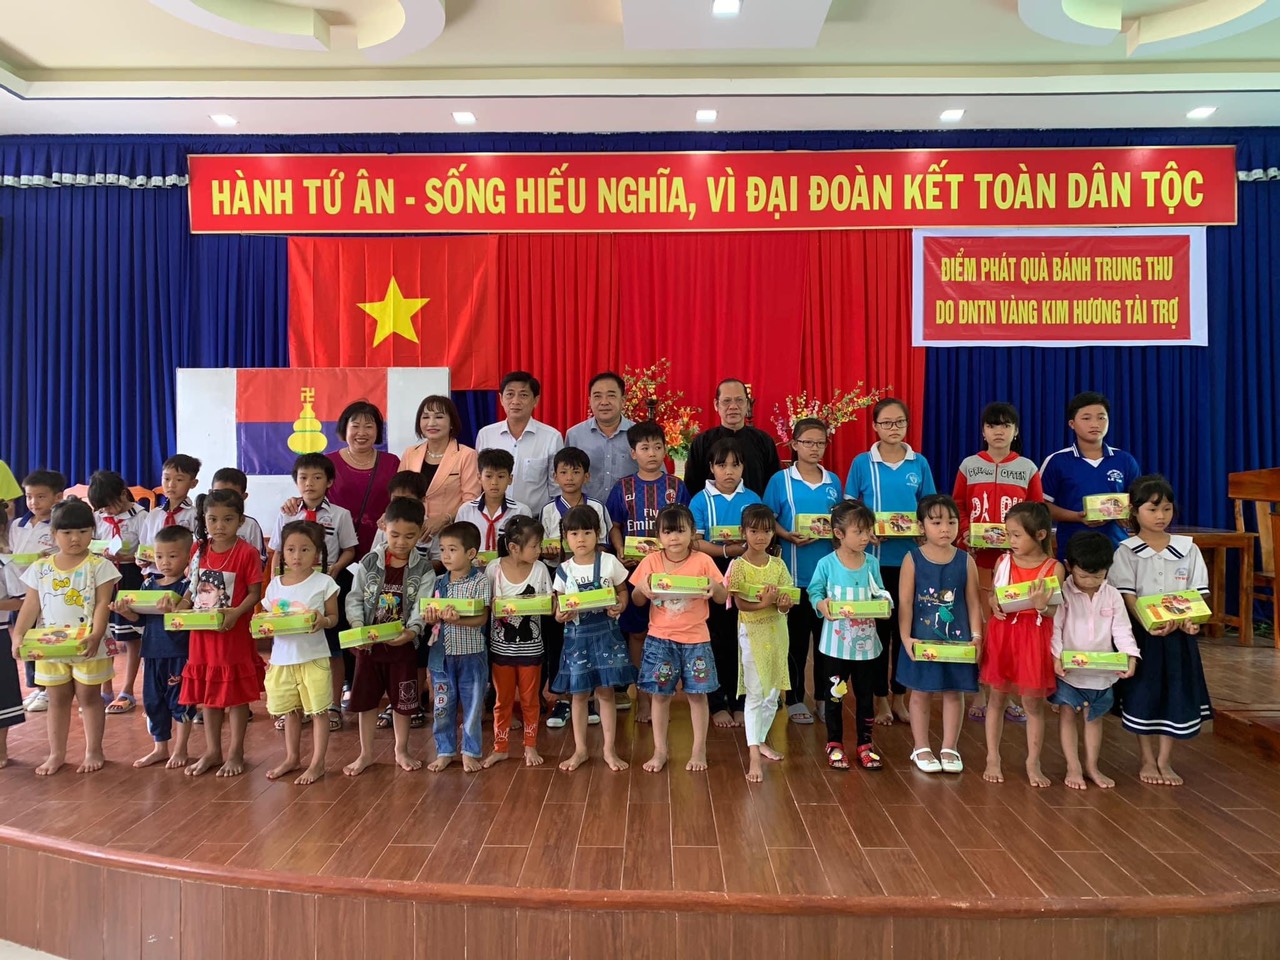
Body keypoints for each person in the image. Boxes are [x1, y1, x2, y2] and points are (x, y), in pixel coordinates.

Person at [1111, 475, 1213, 786]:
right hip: (1145, 637)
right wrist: (1148, 622)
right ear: (1135, 511)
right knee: (1144, 695)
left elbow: (1200, 592)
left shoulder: (1188, 548)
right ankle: (1145, 758)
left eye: (1166, 509)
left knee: (1175, 694)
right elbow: (1127, 596)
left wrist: (1193, 620)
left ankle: (1165, 760)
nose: (1160, 516)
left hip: (1179, 638)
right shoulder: (1125, 551)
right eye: (1152, 509)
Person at [11, 498, 121, 775]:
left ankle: (94, 750)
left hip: (88, 644)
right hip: (50, 646)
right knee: (57, 698)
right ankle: (56, 753)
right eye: (68, 532)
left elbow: (101, 604)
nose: (75, 539)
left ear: (92, 532)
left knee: (89, 696)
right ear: (54, 534)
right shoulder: (41, 568)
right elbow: (30, 605)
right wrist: (19, 636)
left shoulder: (100, 566)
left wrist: (96, 635)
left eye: (83, 532)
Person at [845, 398, 937, 727]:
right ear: (874, 426)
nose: (893, 429)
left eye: (899, 422)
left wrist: (923, 531)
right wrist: (867, 532)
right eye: (886, 423)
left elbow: (930, 509)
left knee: (905, 631)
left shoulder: (919, 464)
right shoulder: (861, 463)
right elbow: (849, 511)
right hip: (871, 565)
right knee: (876, 633)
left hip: (911, 563)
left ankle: (901, 698)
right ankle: (879, 700)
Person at [162, 489, 264, 778]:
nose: (220, 526)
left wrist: (234, 613)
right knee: (209, 692)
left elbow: (255, 593)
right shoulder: (199, 549)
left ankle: (236, 751)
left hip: (232, 633)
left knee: (235, 695)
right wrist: (180, 607)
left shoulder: (247, 552)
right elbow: (193, 589)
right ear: (204, 520)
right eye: (213, 519)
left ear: (240, 520)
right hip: (202, 635)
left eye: (228, 519)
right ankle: (212, 750)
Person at [953, 401, 1042, 724]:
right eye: (992, 425)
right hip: (978, 561)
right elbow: (959, 506)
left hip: (1014, 565)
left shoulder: (1028, 468)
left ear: (1015, 431)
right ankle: (979, 691)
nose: (999, 431)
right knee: (980, 627)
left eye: (1005, 425)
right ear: (983, 431)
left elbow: (1036, 514)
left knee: (1012, 631)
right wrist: (965, 533)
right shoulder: (969, 465)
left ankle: (1011, 695)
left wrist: (1026, 546)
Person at [630, 503, 728, 773]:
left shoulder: (703, 561)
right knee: (659, 696)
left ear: (693, 533)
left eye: (680, 531)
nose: (674, 538)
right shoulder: (651, 561)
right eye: (667, 532)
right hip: (660, 639)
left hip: (697, 639)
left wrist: (715, 587)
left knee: (698, 696)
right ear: (658, 536)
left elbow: (721, 597)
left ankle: (699, 749)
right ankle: (660, 750)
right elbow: (637, 601)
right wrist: (642, 589)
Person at [606, 420, 691, 724]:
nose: (652, 453)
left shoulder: (676, 487)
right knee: (639, 634)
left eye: (658, 447)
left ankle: (666, 696)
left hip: (671, 575)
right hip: (636, 573)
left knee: (668, 635)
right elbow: (614, 526)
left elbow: (686, 529)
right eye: (645, 448)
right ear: (633, 453)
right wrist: (620, 551)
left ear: (666, 450)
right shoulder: (623, 488)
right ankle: (641, 697)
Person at [343, 497, 434, 776]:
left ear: (421, 532)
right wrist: (358, 626)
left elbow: (422, 603)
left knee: (403, 702)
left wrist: (412, 631)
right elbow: (355, 597)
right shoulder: (370, 561)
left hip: (403, 646)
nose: (401, 542)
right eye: (394, 535)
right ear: (384, 528)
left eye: (409, 536)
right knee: (367, 701)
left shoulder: (424, 568)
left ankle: (401, 749)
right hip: (369, 647)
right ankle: (366, 753)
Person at [763, 419, 845, 727]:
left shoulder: (833, 482)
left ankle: (824, 699)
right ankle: (795, 698)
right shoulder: (780, 481)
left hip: (828, 581)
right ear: (794, 444)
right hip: (793, 577)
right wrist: (787, 534)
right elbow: (768, 520)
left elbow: (841, 523)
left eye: (820, 443)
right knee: (795, 643)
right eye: (808, 442)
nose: (814, 448)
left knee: (827, 645)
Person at [271, 453, 359, 733]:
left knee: (332, 647)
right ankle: (296, 708)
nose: (309, 483)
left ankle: (331, 705)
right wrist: (276, 583)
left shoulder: (340, 514)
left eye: (317, 477)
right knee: (295, 645)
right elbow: (276, 552)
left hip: (326, 586)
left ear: (329, 481)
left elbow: (349, 550)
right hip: (292, 588)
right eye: (303, 478)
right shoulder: (286, 513)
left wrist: (335, 570)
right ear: (296, 481)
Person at [979, 502, 1064, 787]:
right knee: (997, 698)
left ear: (1040, 534)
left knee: (1032, 703)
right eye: (1008, 534)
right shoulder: (1004, 562)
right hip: (1003, 634)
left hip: (1034, 638)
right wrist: (993, 602)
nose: (1010, 540)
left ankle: (1033, 761)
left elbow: (1054, 611)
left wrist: (1042, 607)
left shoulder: (1054, 568)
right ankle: (993, 757)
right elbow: (993, 595)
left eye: (1016, 535)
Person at [896, 495, 981, 775]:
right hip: (921, 639)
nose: (945, 528)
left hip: (957, 641)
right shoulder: (912, 559)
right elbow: (905, 602)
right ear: (921, 527)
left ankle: (949, 746)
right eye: (936, 522)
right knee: (920, 693)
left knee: (953, 692)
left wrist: (977, 636)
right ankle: (920, 746)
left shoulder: (966, 560)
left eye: (951, 521)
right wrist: (906, 638)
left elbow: (973, 602)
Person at [1050, 532, 1140, 791]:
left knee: (1094, 718)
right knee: (1067, 715)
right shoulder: (1063, 593)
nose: (1090, 582)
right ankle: (1073, 766)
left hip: (1103, 673)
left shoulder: (1112, 595)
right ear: (1069, 566)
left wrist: (1130, 657)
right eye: (1083, 576)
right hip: (1069, 673)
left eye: (1098, 576)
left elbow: (1122, 630)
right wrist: (1056, 657)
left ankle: (1091, 765)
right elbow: (1054, 628)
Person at [807, 500, 893, 771]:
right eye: (859, 532)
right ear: (839, 534)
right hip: (835, 646)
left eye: (868, 530)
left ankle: (865, 744)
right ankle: (834, 744)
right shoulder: (827, 564)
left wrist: (884, 605)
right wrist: (822, 606)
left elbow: (879, 591)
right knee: (834, 696)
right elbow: (814, 592)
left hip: (867, 646)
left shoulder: (871, 563)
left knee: (865, 697)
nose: (866, 537)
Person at [551, 505, 635, 773]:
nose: (581, 539)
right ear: (566, 538)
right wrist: (561, 615)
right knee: (578, 696)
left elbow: (623, 591)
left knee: (606, 693)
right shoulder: (563, 570)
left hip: (606, 637)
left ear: (597, 533)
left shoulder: (609, 562)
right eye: (574, 533)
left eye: (587, 532)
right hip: (577, 640)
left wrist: (620, 605)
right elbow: (557, 609)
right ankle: (580, 750)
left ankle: (609, 750)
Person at [689, 437, 761, 729]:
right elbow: (696, 541)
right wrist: (725, 551)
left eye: (735, 464)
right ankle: (717, 701)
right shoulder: (700, 500)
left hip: (746, 572)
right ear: (711, 468)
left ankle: (741, 701)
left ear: (743, 467)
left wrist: (743, 550)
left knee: (742, 639)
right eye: (722, 465)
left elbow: (760, 536)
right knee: (715, 639)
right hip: (713, 572)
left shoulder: (752, 498)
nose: (729, 471)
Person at [109, 525, 195, 769]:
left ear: (188, 557)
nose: (165, 562)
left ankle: (181, 749)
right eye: (159, 556)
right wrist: (126, 612)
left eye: (172, 556)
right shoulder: (148, 586)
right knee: (153, 701)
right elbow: (141, 619)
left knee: (180, 701)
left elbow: (188, 620)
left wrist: (176, 610)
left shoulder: (187, 588)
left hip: (179, 654)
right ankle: (160, 748)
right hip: (151, 653)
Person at [261, 520, 340, 785]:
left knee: (318, 712)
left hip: (313, 658)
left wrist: (322, 621)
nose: (297, 556)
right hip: (282, 659)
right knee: (290, 712)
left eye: (305, 550)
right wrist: (264, 625)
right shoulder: (274, 585)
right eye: (291, 549)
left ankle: (318, 763)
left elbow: (333, 618)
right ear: (282, 551)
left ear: (317, 552)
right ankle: (292, 757)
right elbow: (268, 619)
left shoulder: (324, 582)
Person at [539, 447, 612, 728]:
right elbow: (541, 547)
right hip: (561, 581)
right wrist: (550, 552)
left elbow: (604, 544)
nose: (570, 477)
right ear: (555, 476)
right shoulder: (547, 510)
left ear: (587, 475)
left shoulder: (597, 507)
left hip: (592, 584)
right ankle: (562, 700)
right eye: (563, 472)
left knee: (591, 642)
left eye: (576, 471)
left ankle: (590, 698)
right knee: (560, 643)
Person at [725, 503, 793, 782]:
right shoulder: (738, 565)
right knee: (755, 692)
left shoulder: (778, 564)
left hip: (778, 632)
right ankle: (753, 752)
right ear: (743, 532)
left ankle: (761, 739)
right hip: (752, 633)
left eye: (766, 531)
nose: (760, 537)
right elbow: (739, 602)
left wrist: (783, 605)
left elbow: (786, 602)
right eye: (754, 531)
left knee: (773, 692)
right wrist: (762, 603)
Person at [423, 522, 492, 773]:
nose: (446, 556)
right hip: (441, 656)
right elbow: (430, 616)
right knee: (442, 706)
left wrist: (458, 619)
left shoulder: (480, 582)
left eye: (453, 550)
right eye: (442, 550)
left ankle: (470, 752)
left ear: (471, 553)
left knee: (473, 706)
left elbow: (482, 619)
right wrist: (431, 617)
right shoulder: (439, 582)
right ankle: (445, 750)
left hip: (472, 654)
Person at [483, 516, 551, 768]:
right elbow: (486, 605)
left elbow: (549, 604)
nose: (539, 550)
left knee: (530, 700)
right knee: (502, 701)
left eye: (539, 545)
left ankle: (530, 746)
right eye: (534, 546)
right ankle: (500, 747)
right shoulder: (494, 569)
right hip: (501, 650)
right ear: (514, 547)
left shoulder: (541, 569)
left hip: (532, 650)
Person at [1040, 391, 1142, 559]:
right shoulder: (1056, 461)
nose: (1095, 424)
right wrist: (1077, 517)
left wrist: (1130, 514)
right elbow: (1042, 507)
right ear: (1072, 424)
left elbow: (1139, 502)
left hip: (1118, 551)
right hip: (1073, 552)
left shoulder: (1125, 460)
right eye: (1086, 418)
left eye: (1101, 418)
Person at [88, 470, 149, 713]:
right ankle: (105, 689)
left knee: (130, 636)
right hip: (103, 579)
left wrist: (131, 557)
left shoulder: (141, 516)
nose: (107, 512)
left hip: (129, 576)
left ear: (123, 494)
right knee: (104, 633)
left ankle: (128, 690)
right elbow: (89, 544)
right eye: (102, 509)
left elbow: (150, 551)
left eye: (110, 506)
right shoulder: (97, 517)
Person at [11, 470, 65, 713]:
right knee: (26, 638)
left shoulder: (58, 525)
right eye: (29, 497)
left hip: (46, 592)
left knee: (44, 637)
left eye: (41, 497)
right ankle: (37, 688)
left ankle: (47, 688)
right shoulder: (18, 525)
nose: (34, 503)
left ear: (57, 497)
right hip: (19, 590)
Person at [399, 395, 481, 555]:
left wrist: (445, 518)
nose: (431, 423)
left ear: (451, 422)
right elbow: (399, 493)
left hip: (451, 537)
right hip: (412, 536)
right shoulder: (410, 453)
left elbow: (471, 501)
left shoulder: (466, 454)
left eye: (439, 416)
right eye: (425, 417)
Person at [475, 371, 563, 512]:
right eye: (510, 394)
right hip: (492, 519)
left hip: (534, 521)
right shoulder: (486, 434)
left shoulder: (551, 437)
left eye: (523, 395)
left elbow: (556, 487)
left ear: (535, 400)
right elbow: (478, 480)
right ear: (501, 399)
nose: (515, 401)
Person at [683, 378, 782, 497]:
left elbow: (774, 485)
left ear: (747, 404)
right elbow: (692, 487)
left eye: (739, 400)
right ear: (716, 404)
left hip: (756, 511)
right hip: (714, 513)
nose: (733, 406)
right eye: (726, 401)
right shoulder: (702, 442)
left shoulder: (763, 440)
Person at [565, 371, 637, 504]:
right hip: (585, 517)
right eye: (597, 396)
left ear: (623, 400)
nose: (604, 402)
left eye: (611, 396)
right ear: (590, 400)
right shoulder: (575, 435)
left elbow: (657, 476)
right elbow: (563, 476)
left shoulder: (639, 434)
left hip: (629, 516)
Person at [455, 449, 532, 555]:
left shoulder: (521, 511)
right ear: (479, 478)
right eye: (488, 476)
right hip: (473, 568)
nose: (494, 482)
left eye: (501, 477)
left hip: (509, 569)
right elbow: (458, 544)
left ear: (510, 479)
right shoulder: (466, 510)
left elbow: (526, 546)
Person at [138, 454, 202, 574]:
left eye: (179, 480)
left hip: (185, 575)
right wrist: (141, 559)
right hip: (156, 574)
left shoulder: (196, 515)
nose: (171, 485)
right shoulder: (154, 515)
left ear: (193, 483)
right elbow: (144, 546)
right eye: (166, 479)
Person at [0, 509, 26, 766]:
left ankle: (1, 749)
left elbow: (21, 602)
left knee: (2, 692)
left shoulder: (5, 564)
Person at [210, 468, 266, 562]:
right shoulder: (203, 521)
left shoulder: (250, 525)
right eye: (218, 494)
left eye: (232, 495)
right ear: (210, 493)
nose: (224, 500)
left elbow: (259, 559)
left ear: (244, 497)